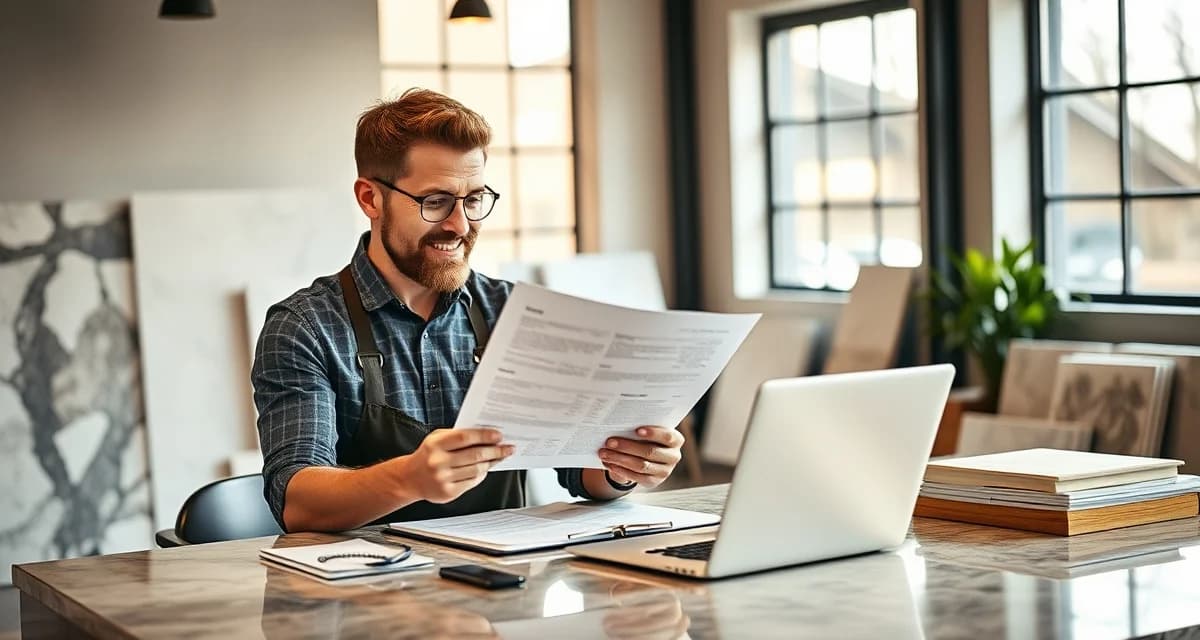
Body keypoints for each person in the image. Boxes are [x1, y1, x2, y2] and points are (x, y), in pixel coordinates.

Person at [252, 88, 684, 533]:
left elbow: (580, 472)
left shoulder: (514, 312)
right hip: (366, 588)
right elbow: (298, 502)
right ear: (370, 199)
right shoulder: (304, 328)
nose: (460, 225)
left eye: (474, 200)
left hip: (505, 586)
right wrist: (409, 478)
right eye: (434, 202)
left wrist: (623, 466)